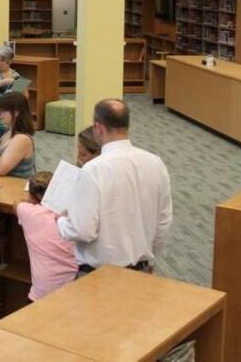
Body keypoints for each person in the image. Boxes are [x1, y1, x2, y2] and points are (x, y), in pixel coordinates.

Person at [57, 99, 172, 278]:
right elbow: (163, 222)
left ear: (98, 127)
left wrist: (61, 221)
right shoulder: (155, 163)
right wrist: (150, 258)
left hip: (98, 276)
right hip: (141, 271)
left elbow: (83, 230)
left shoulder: (93, 170)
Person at [16, 171, 78, 301]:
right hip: (73, 291)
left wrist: (29, 200)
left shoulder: (27, 212)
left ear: (32, 197)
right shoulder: (72, 216)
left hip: (41, 295)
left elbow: (16, 204)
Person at [0, 92, 36, 179]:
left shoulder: (22, 140)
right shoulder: (9, 131)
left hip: (14, 189)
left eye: (2, 110)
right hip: (4, 185)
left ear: (16, 113)